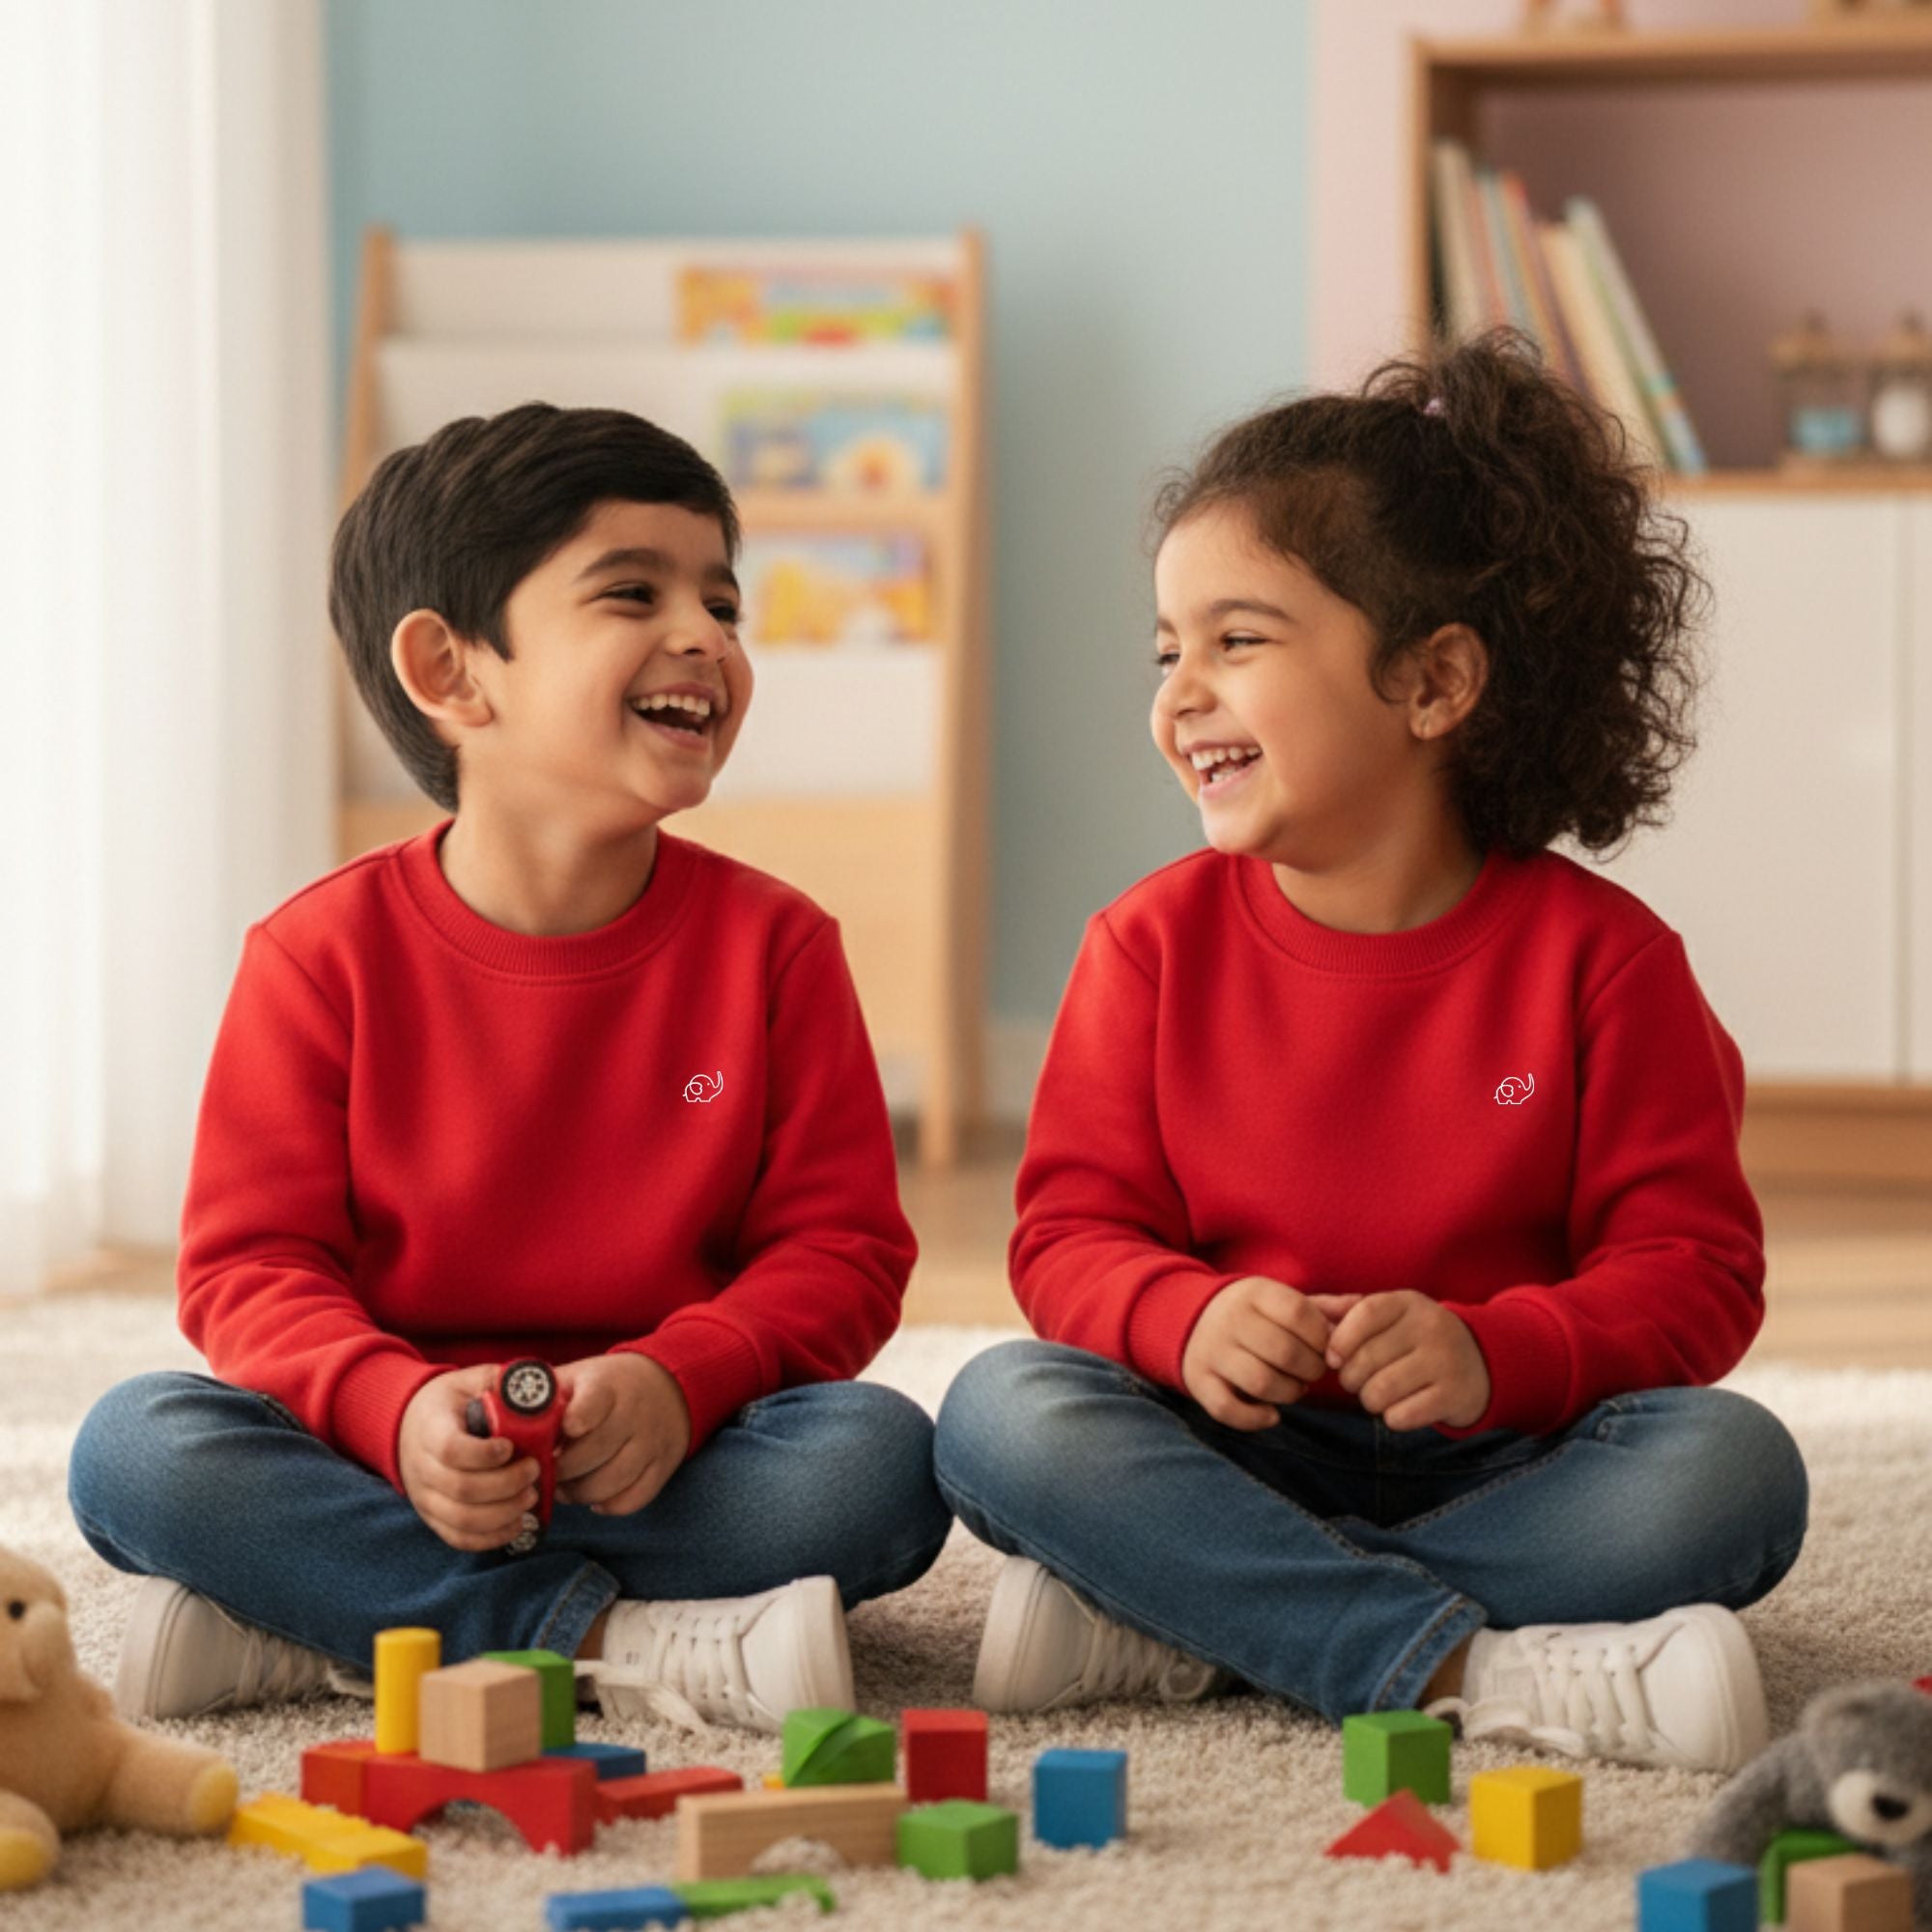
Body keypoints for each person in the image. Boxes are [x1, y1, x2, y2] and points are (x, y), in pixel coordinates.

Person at [933, 330, 1807, 1774]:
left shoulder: (1608, 965)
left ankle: (1190, 1617)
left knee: (1731, 1474)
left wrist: (1493, 1350)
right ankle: (1462, 1662)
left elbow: (1694, 1276)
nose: (1180, 692)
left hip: (1515, 1452)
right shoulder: (1144, 949)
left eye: (1239, 640)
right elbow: (1069, 1239)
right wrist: (1183, 1316)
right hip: (1233, 1446)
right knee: (997, 1413)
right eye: (1168, 650)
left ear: (1433, 682)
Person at [69, 403, 951, 1734]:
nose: (706, 636)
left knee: (879, 1468)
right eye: (632, 592)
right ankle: (615, 1643)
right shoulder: (318, 957)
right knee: (137, 1452)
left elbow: (842, 1254)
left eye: (723, 600)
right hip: (390, 1454)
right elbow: (251, 1271)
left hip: (667, 1453)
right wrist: (395, 1407)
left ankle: (336, 1628)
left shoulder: (776, 949)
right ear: (450, 671)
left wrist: (682, 1375)